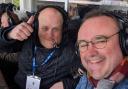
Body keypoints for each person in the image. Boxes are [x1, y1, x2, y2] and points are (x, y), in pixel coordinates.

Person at [0, 5, 80, 89]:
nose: (50, 35)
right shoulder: (28, 37)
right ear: (36, 26)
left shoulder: (72, 49)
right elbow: (2, 47)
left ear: (63, 30)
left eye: (56, 29)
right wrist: (9, 34)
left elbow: (89, 75)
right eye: (45, 28)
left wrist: (66, 84)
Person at [76, 10, 128, 89]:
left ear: (124, 43)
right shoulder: (87, 77)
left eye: (100, 41)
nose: (90, 53)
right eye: (83, 44)